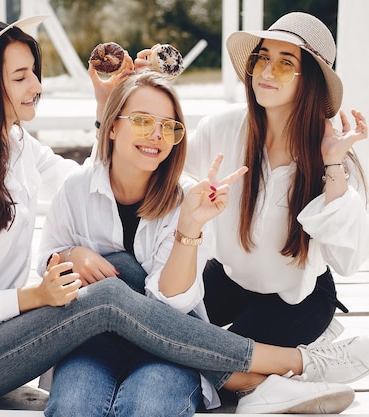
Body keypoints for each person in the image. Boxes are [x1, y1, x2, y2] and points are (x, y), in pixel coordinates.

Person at [0, 12, 369, 415]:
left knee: (126, 276)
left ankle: (263, 376)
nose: (38, 87)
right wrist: (39, 289)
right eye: (20, 76)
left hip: (293, 299)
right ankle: (288, 367)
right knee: (112, 296)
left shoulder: (15, 145)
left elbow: (88, 178)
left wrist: (117, 110)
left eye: (34, 72)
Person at [39, 71, 244, 415]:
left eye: (169, 126)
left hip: (168, 344)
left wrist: (190, 224)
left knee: (147, 408)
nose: (156, 135)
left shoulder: (187, 199)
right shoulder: (76, 188)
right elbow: (47, 259)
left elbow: (175, 306)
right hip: (92, 337)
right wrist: (71, 255)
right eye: (142, 121)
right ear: (112, 126)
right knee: (73, 407)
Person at [179, 11, 369, 354]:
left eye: (286, 64)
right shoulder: (221, 127)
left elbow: (349, 259)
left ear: (310, 81)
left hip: (297, 298)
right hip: (229, 279)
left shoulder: (332, 152)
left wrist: (331, 163)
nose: (268, 73)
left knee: (213, 360)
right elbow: (164, 180)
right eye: (262, 59)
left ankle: (305, 362)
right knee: (162, 334)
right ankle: (284, 369)